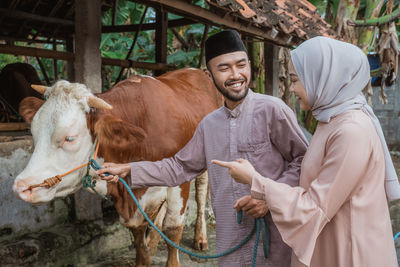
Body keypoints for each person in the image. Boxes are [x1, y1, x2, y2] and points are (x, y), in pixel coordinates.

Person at [97, 29, 308, 266]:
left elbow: (304, 161)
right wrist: (129, 170)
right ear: (210, 75)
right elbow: (179, 167)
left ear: (249, 65)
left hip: (274, 239)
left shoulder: (273, 110)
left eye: (241, 65)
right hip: (229, 242)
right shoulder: (209, 124)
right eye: (224, 68)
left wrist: (271, 197)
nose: (236, 74)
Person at [212, 36, 400, 267]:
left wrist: (256, 181)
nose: (291, 88)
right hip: (331, 243)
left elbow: (314, 207)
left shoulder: (351, 131)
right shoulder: (330, 121)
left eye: (294, 80)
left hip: (350, 253)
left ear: (321, 79)